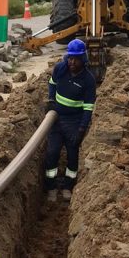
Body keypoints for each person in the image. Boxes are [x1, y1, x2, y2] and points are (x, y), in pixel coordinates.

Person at [44, 38, 96, 202]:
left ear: (83, 59)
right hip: (57, 120)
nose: (72, 62)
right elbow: (52, 83)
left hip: (74, 121)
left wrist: (82, 129)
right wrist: (51, 100)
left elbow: (88, 107)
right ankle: (51, 187)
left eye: (76, 59)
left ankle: (68, 186)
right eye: (70, 58)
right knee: (52, 153)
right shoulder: (60, 68)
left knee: (72, 155)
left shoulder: (88, 79)